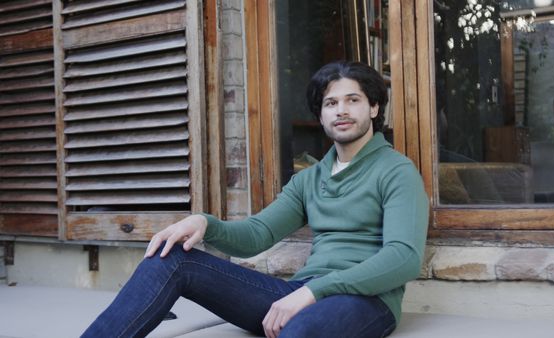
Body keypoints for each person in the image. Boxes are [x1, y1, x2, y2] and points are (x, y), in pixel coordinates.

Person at [82, 61, 429, 338]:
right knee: (172, 259)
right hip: (299, 292)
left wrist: (313, 292)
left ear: (373, 108)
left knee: (301, 330)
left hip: (365, 301)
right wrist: (204, 222)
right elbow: (257, 235)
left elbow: (403, 259)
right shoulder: (310, 179)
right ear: (321, 115)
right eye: (331, 102)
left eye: (353, 100)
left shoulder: (396, 171)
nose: (341, 110)